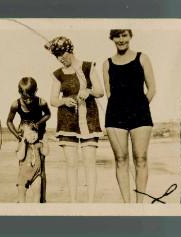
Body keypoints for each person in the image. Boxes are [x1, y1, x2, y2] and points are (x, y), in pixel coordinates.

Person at [45, 36, 104, 202]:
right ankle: (73, 203)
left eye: (63, 55)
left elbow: (100, 91)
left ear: (70, 50)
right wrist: (64, 101)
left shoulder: (87, 67)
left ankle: (90, 204)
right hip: (67, 121)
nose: (61, 59)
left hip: (89, 119)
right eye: (57, 57)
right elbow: (53, 100)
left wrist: (88, 92)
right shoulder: (58, 74)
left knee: (89, 163)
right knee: (71, 164)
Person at [103, 29, 156, 203]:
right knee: (120, 159)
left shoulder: (142, 58)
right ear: (112, 38)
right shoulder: (107, 63)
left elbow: (152, 89)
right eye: (117, 36)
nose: (121, 39)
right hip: (115, 115)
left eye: (124, 35)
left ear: (130, 36)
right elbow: (109, 94)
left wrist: (139, 107)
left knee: (140, 158)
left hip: (139, 114)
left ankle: (139, 204)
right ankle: (127, 205)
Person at [6, 77, 51, 203]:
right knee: (23, 163)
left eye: (31, 97)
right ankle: (22, 195)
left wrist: (38, 123)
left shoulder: (41, 102)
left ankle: (42, 200)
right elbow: (9, 121)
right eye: (25, 98)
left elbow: (48, 114)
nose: (29, 100)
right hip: (25, 135)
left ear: (36, 91)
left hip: (40, 134)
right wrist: (17, 136)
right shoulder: (16, 104)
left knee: (40, 167)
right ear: (20, 93)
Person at [16, 124, 49, 202]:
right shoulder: (21, 145)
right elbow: (20, 156)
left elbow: (45, 153)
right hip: (23, 175)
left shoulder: (39, 145)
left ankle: (35, 210)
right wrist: (24, 143)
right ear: (22, 135)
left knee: (37, 195)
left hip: (36, 174)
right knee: (21, 196)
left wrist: (45, 142)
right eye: (29, 134)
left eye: (34, 133)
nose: (33, 136)